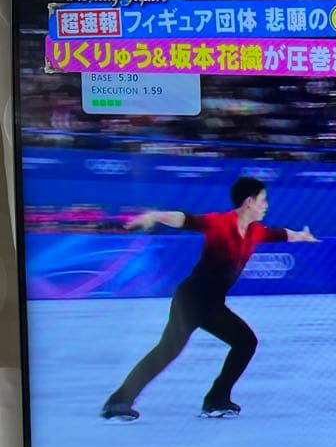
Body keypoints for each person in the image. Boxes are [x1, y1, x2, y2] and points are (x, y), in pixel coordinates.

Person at [101, 177, 317, 421]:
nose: (266, 205)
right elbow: (186, 219)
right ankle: (121, 402)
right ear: (249, 202)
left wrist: (302, 236)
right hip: (192, 299)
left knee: (244, 342)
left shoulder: (255, 231)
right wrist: (155, 215)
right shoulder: (220, 223)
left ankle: (215, 399)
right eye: (263, 200)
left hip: (211, 303)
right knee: (174, 350)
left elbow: (282, 234)